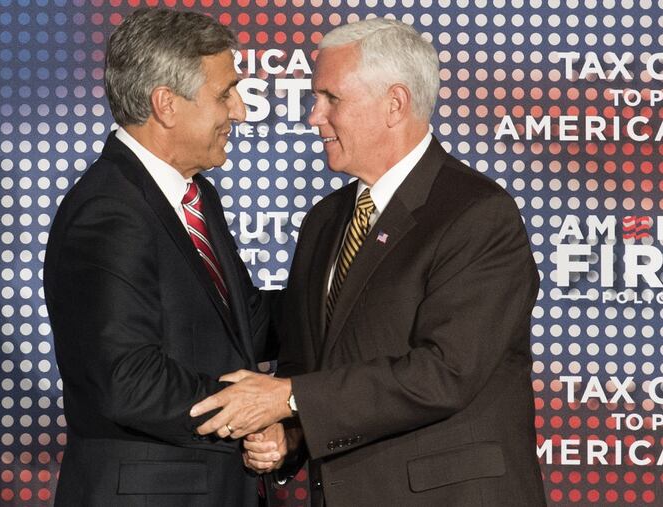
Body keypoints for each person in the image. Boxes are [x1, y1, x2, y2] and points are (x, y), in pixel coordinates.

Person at [190, 18, 547, 506]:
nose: (314, 117)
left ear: (395, 104)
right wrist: (289, 435)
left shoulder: (476, 214)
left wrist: (288, 397)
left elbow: (446, 372)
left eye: (330, 98)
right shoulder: (324, 221)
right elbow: (307, 364)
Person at [44, 8, 273, 506]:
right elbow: (127, 381)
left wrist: (344, 297)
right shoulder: (109, 211)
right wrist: (251, 410)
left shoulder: (195, 195)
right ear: (166, 104)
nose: (240, 112)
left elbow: (247, 325)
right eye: (225, 94)